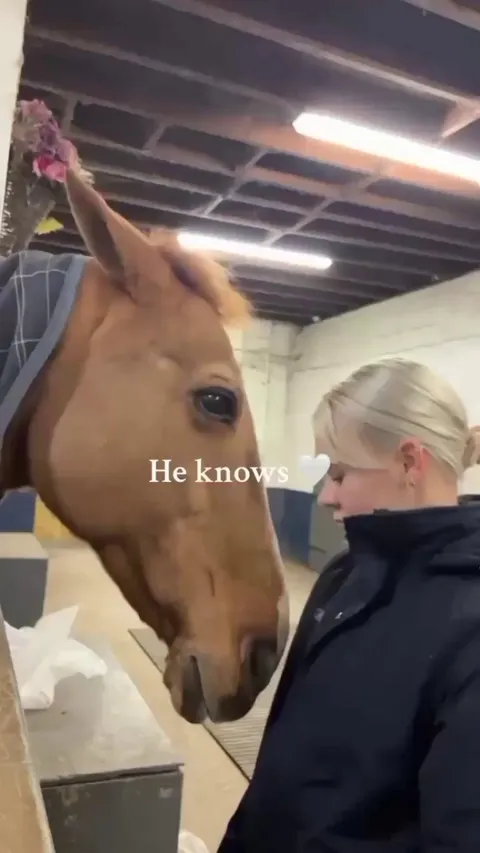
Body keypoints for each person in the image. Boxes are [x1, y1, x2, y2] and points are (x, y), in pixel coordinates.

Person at [217, 357, 480, 853]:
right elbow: (282, 759)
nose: (325, 497)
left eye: (339, 473)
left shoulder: (469, 626)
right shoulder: (344, 575)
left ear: (409, 462)